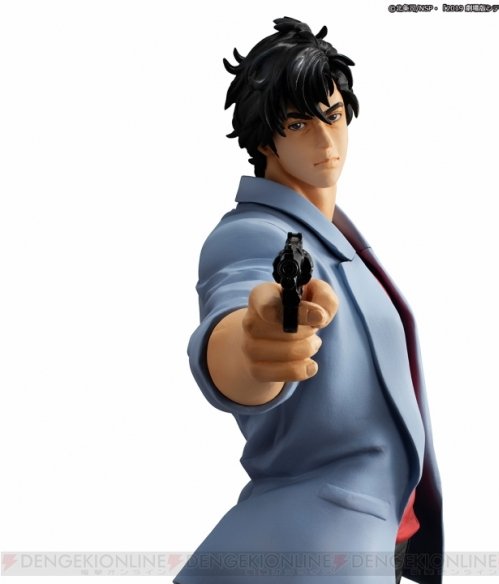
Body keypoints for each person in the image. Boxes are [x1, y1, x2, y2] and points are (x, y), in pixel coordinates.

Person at [174, 17, 443, 584]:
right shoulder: (252, 235)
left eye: (333, 116)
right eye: (298, 124)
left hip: (382, 533)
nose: (325, 142)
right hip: (319, 546)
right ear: (263, 139)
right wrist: (255, 349)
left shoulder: (335, 235)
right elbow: (236, 318)